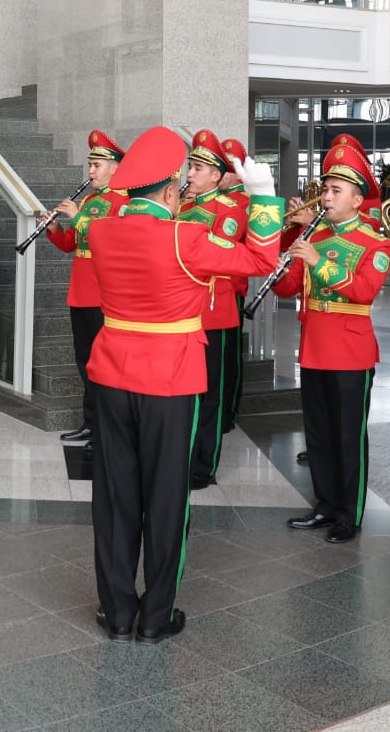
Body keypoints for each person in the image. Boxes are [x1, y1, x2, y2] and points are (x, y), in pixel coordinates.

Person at [85, 127, 280, 642]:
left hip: (110, 373)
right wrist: (261, 197)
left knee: (114, 494)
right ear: (171, 191)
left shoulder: (102, 229)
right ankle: (156, 616)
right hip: (170, 378)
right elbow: (261, 261)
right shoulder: (185, 236)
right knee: (167, 497)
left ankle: (117, 612)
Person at [275, 142, 390, 544]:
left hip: (350, 352)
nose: (325, 197)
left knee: (347, 438)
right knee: (319, 435)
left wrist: (316, 261)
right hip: (313, 349)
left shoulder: (374, 242)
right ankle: (324, 504)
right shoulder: (313, 234)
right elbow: (289, 288)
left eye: (336, 190)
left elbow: (362, 292)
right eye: (325, 189)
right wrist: (288, 251)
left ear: (358, 199)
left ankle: (348, 513)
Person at [42, 130, 127, 444]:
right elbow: (71, 245)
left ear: (115, 168)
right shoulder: (91, 200)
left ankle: (106, 426)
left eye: (96, 165)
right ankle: (91, 422)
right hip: (80, 293)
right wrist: (54, 228)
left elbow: (109, 244)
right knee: (86, 363)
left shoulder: (123, 203)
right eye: (90, 165)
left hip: (103, 297)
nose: (90, 171)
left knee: (104, 365)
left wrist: (77, 217)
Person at [177, 129, 250, 487]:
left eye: (196, 168)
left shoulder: (230, 210)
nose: (189, 174)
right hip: (181, 311)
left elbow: (218, 254)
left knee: (210, 394)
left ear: (217, 176)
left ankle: (203, 466)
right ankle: (183, 455)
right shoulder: (183, 207)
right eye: (190, 166)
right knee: (184, 392)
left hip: (214, 311)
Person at [218, 135, 253, 429]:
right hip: (209, 287)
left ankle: (229, 410)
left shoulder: (244, 201)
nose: (222, 175)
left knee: (230, 357)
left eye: (227, 170)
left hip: (232, 287)